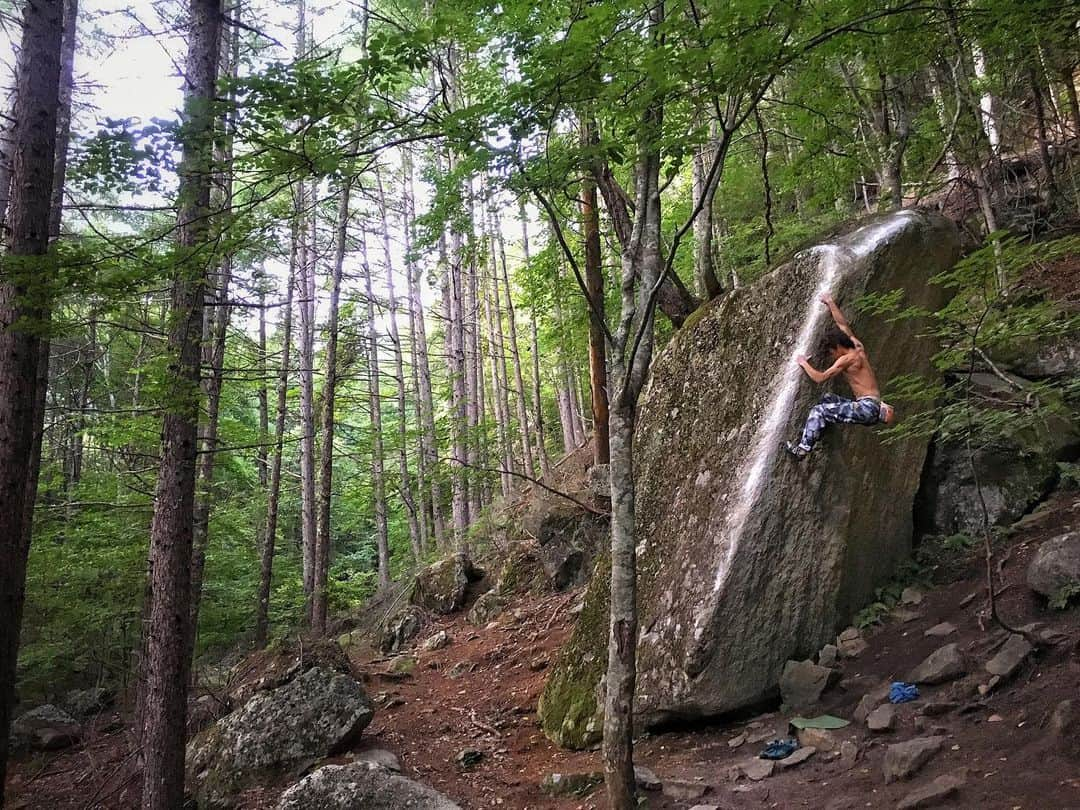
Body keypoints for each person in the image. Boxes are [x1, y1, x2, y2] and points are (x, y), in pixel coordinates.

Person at [784, 293, 894, 459]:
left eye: (831, 352)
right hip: (871, 406)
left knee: (818, 410)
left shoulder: (847, 359)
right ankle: (816, 430)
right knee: (827, 399)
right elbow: (842, 324)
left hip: (867, 408)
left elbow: (820, 378)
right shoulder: (857, 346)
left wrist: (803, 362)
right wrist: (829, 302)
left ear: (837, 347)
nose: (832, 356)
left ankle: (802, 450)